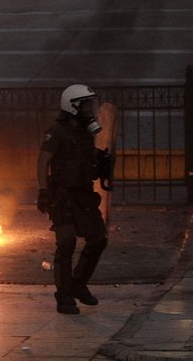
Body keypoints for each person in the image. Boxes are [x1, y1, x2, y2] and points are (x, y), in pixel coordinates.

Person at [36, 84, 109, 315]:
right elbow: (42, 161)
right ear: (73, 106)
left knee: (98, 239)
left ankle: (78, 283)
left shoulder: (85, 132)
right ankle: (64, 296)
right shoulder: (57, 131)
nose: (90, 109)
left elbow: (85, 159)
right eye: (86, 104)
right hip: (62, 196)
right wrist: (44, 191)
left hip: (83, 195)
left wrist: (101, 162)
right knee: (66, 243)